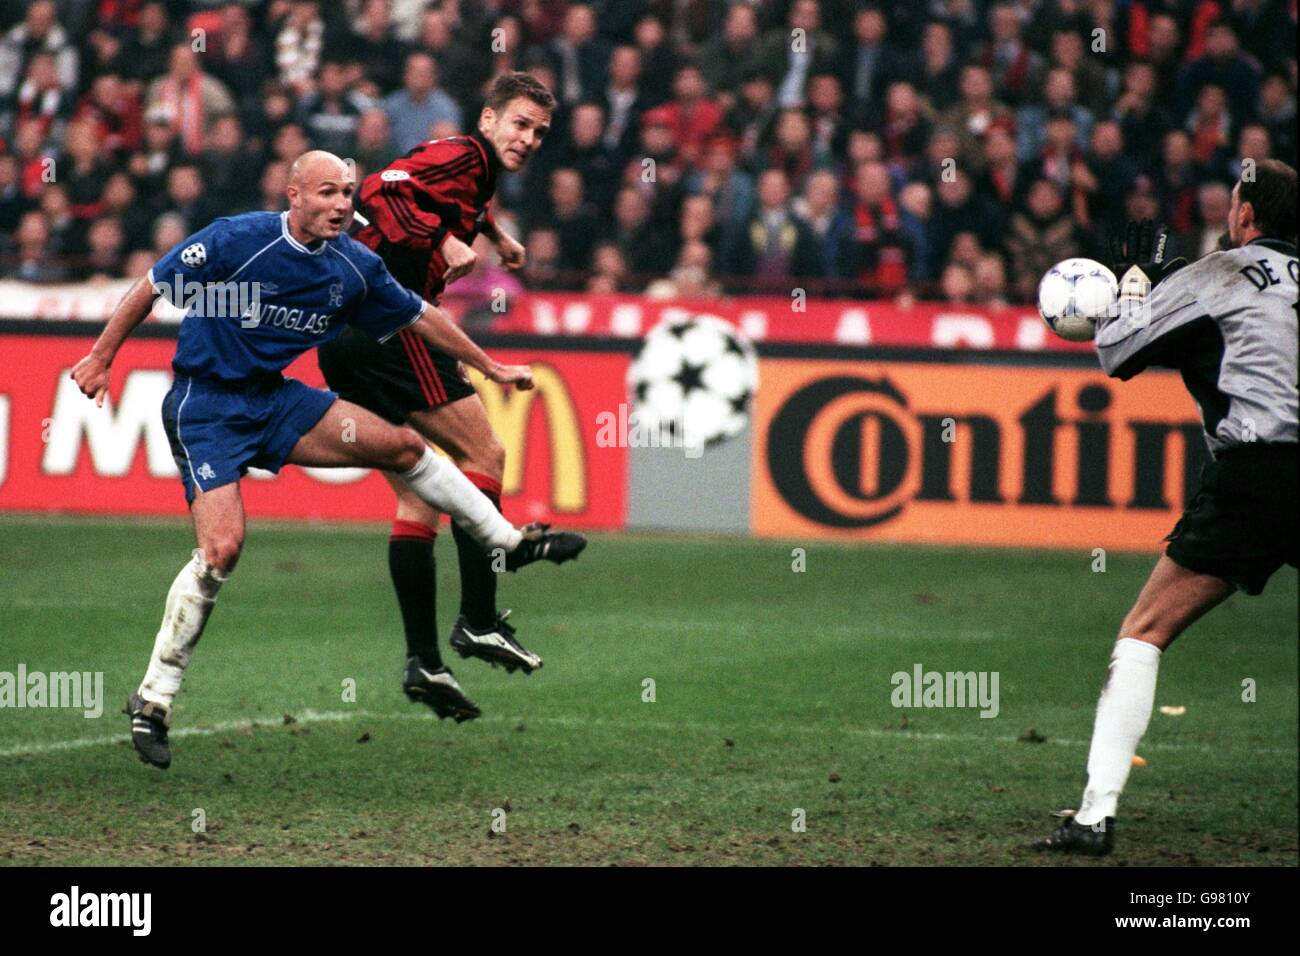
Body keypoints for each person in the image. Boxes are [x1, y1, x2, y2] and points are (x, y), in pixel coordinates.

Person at [69, 150, 584, 769]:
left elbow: (422, 316)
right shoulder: (238, 240)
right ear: (293, 195)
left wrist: (490, 365)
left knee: (403, 445)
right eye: (326, 193)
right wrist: (101, 357)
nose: (342, 204)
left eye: (346, 192)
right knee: (222, 551)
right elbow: (151, 287)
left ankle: (509, 538)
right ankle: (154, 699)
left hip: (275, 401)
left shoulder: (353, 266)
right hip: (205, 408)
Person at [1034, 160, 1298, 855]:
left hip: (1256, 477)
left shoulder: (1224, 272)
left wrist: (1136, 284)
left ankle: (1094, 817)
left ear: (1245, 218)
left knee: (1144, 631)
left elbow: (1116, 348)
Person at [317, 72, 566, 706]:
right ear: (488, 120)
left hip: (346, 337)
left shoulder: (474, 172)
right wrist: (447, 239)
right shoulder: (463, 152)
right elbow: (379, 187)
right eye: (520, 124)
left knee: (419, 496)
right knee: (486, 455)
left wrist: (491, 233)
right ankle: (478, 619)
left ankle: (424, 661)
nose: (530, 138)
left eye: (539, 131)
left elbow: (446, 200)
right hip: (390, 329)